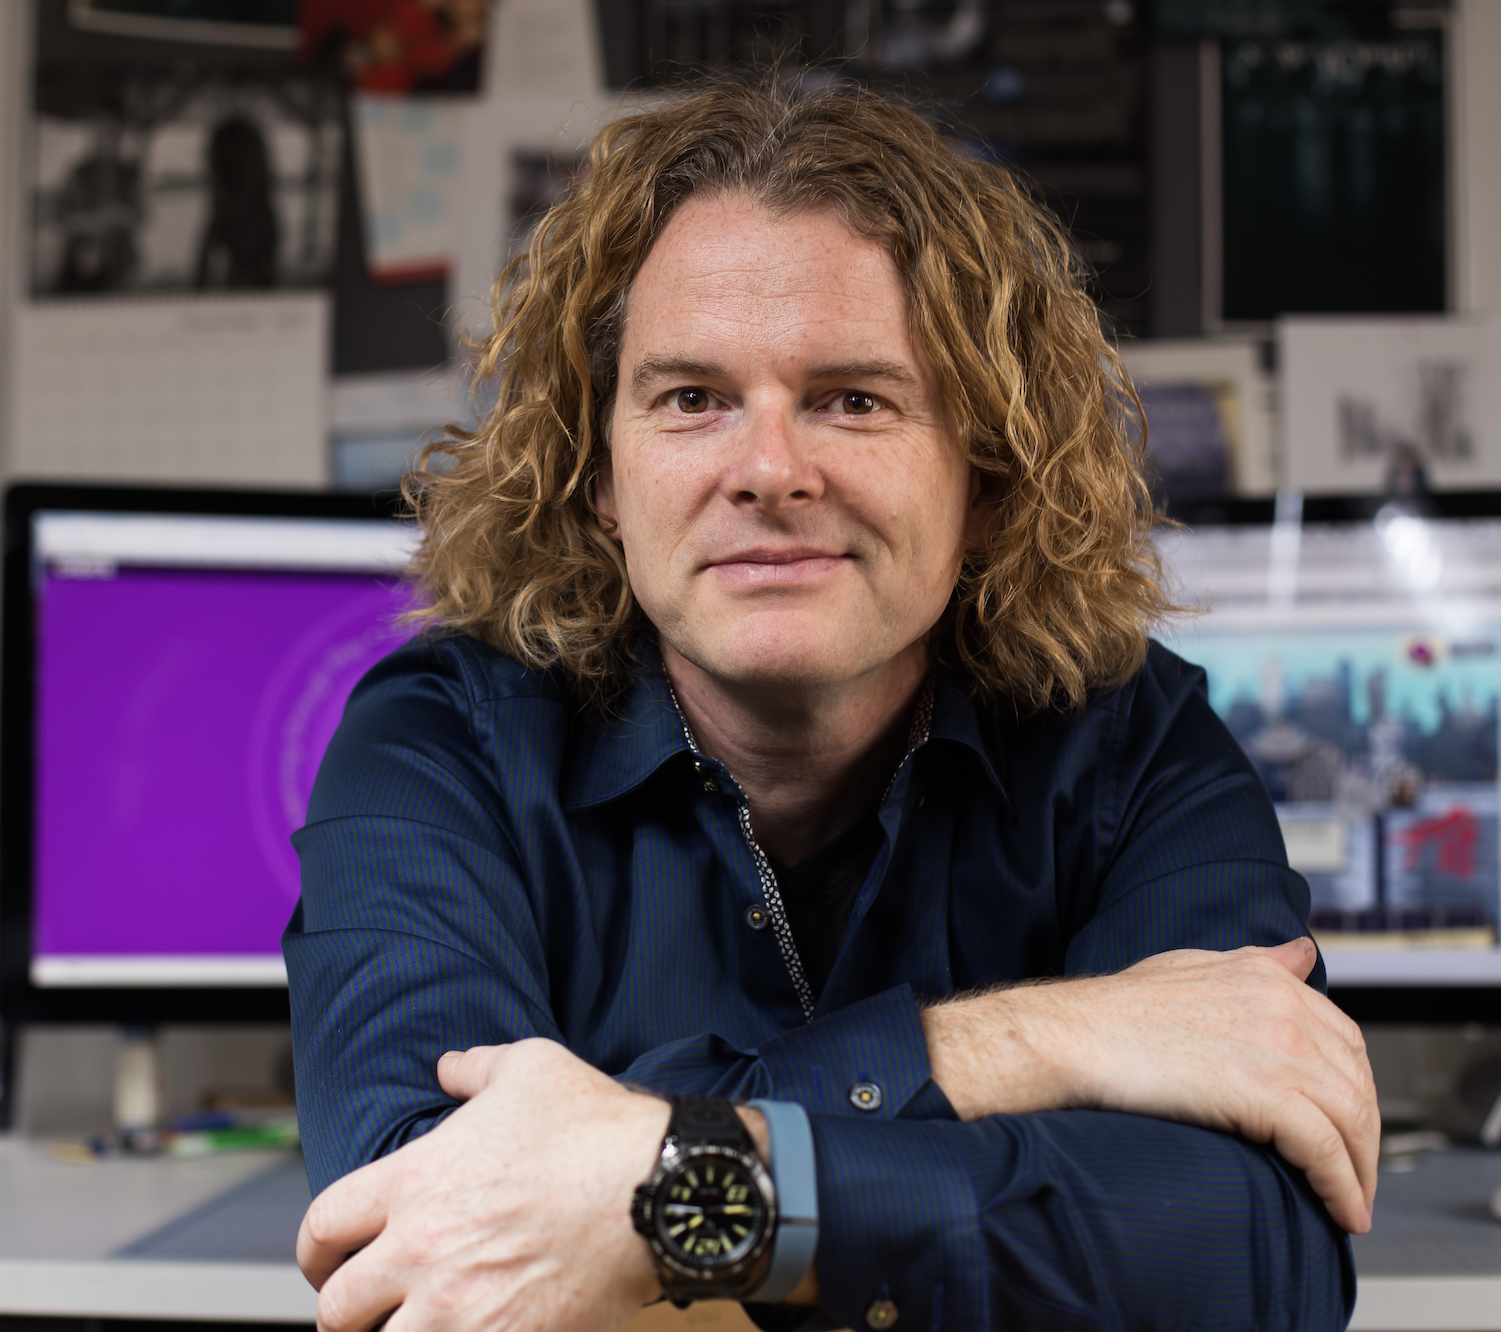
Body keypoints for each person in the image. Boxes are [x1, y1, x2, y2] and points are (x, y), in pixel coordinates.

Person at [285, 75, 1378, 1332]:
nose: (769, 473)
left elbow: (1256, 1251)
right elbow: (424, 1220)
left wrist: (669, 1191)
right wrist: (1031, 1046)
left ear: (986, 470)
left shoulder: (1132, 746)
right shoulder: (441, 749)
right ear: (597, 476)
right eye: (692, 399)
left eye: (853, 399)